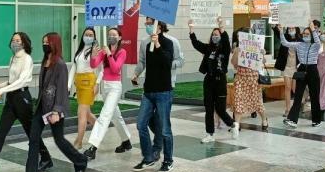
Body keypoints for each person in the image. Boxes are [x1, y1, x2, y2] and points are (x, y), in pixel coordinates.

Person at [16, 33, 87, 172]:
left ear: (54, 44)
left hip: (54, 109)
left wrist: (56, 111)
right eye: (43, 42)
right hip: (41, 107)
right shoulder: (44, 62)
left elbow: (62, 90)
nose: (44, 45)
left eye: (47, 42)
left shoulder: (60, 64)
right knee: (33, 140)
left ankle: (80, 160)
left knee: (59, 139)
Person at [0, 32, 49, 172]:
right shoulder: (13, 58)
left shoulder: (27, 59)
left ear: (24, 43)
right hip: (11, 99)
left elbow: (21, 82)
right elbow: (12, 80)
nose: (15, 42)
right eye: (13, 40)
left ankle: (45, 158)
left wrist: (1, 90)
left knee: (31, 132)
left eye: (18, 40)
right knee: (0, 132)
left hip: (22, 99)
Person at [131, 17, 185, 160]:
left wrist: (167, 66)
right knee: (147, 121)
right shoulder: (144, 43)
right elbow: (142, 62)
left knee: (162, 122)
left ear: (159, 26)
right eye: (146, 24)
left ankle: (157, 148)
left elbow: (180, 60)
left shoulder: (172, 42)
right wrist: (136, 73)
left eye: (150, 24)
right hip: (149, 88)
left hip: (166, 85)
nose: (147, 26)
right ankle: (150, 153)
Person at [83, 28, 132, 159]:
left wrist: (109, 54)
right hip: (105, 86)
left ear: (120, 38)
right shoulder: (104, 51)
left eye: (114, 35)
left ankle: (93, 147)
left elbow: (116, 69)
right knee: (116, 116)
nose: (111, 36)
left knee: (104, 115)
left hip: (115, 87)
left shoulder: (122, 52)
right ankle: (126, 141)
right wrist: (94, 55)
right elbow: (94, 65)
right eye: (109, 34)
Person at [188, 18, 234, 143]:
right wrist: (191, 29)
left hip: (220, 81)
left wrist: (221, 27)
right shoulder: (208, 48)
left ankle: (232, 125)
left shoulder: (224, 49)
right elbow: (196, 44)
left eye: (217, 35)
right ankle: (210, 134)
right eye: (213, 35)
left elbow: (226, 40)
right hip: (208, 80)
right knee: (208, 108)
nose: (215, 36)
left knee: (220, 109)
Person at [281, 20, 323, 128]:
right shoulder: (299, 44)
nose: (305, 35)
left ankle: (316, 120)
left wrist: (313, 29)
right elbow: (285, 43)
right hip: (302, 69)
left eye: (307, 34)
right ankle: (292, 120)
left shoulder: (316, 45)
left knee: (314, 96)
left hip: (313, 70)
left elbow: (318, 42)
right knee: (298, 96)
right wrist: (281, 31)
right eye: (304, 34)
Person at [230, 28, 268, 137]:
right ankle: (236, 125)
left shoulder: (256, 47)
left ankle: (264, 119)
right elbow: (234, 64)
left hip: (253, 79)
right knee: (238, 101)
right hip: (241, 79)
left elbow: (263, 62)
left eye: (240, 36)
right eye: (238, 36)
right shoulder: (238, 49)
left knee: (257, 102)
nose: (238, 38)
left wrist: (262, 54)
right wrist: (238, 51)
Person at [67, 27, 101, 149]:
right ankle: (101, 130)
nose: (88, 36)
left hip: (89, 83)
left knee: (81, 113)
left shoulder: (96, 50)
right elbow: (74, 67)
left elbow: (101, 69)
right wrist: (69, 85)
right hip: (79, 83)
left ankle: (78, 142)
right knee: (87, 114)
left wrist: (97, 84)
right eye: (86, 34)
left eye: (91, 35)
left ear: (94, 37)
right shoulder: (80, 50)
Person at [273, 25, 299, 117]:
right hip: (286, 67)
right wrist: (276, 27)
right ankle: (287, 109)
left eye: (293, 28)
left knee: (295, 89)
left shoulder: (299, 39)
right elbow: (278, 34)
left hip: (296, 67)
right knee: (287, 87)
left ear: (296, 30)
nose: (291, 30)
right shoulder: (285, 38)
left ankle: (297, 106)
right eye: (290, 29)